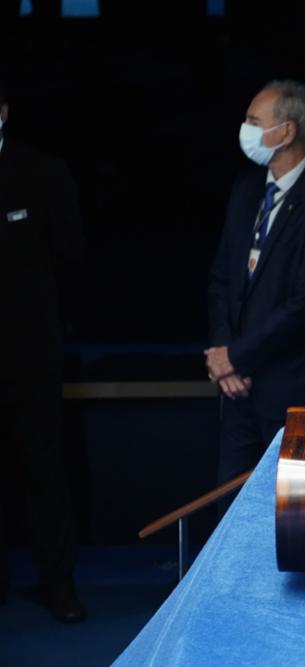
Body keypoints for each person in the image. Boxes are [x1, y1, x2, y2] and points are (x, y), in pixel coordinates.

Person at [206, 80, 305, 505]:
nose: (245, 130)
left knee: (289, 516)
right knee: (229, 511)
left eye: (254, 122)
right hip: (237, 389)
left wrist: (237, 356)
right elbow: (221, 277)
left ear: (286, 132)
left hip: (294, 391)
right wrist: (223, 353)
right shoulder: (246, 188)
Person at [0, 84, 86, 622]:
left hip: (28, 356)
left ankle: (60, 587)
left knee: (43, 472)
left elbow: (70, 258)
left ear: (3, 112)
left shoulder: (44, 173)